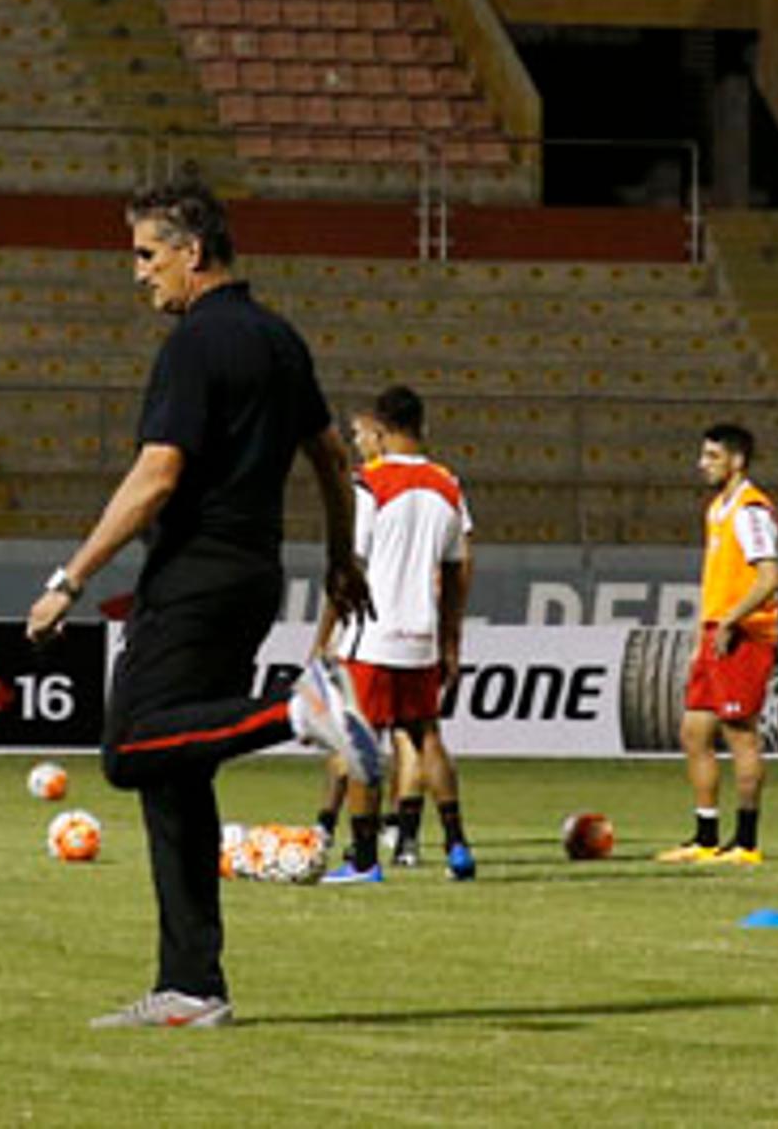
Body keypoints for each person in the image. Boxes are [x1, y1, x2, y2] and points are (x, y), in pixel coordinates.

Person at [27, 177, 377, 1030]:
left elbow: (159, 473)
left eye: (147, 254)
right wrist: (340, 557)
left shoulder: (194, 346)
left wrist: (68, 578)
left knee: (131, 748)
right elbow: (333, 460)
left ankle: (299, 710)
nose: (139, 273)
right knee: (176, 777)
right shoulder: (279, 339)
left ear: (192, 251)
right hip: (254, 573)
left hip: (195, 573)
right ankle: (192, 986)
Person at [316, 384, 474, 885]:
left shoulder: (369, 483)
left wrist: (323, 635)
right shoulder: (448, 484)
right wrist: (451, 640)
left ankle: (364, 859)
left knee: (360, 743)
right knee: (426, 736)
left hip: (373, 634)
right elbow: (458, 567)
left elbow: (348, 567)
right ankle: (457, 847)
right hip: (421, 634)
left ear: (382, 431)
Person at [657, 421, 778, 866]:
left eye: (712, 456)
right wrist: (702, 635)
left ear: (737, 461)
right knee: (693, 732)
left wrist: (730, 619)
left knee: (741, 736)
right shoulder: (717, 509)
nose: (702, 464)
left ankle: (746, 843)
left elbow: (769, 577)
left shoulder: (751, 510)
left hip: (744, 634)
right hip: (716, 634)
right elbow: (717, 580)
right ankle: (705, 837)